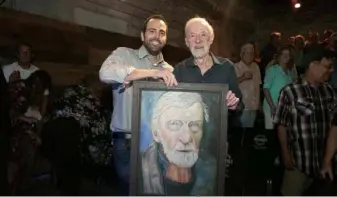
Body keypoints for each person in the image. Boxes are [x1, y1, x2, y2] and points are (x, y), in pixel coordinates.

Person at [99, 15, 177, 194]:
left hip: (158, 145)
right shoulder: (124, 54)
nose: (157, 36)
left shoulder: (171, 70)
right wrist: (150, 73)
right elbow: (105, 73)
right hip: (126, 142)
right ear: (142, 36)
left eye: (162, 33)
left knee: (154, 192)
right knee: (128, 191)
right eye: (152, 31)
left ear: (165, 39)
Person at [273, 48, 336, 196]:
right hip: (299, 161)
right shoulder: (291, 91)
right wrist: (285, 153)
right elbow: (282, 124)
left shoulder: (330, 91)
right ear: (313, 65)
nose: (331, 70)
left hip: (324, 162)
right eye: (327, 66)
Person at [141, 92, 216, 195]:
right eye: (174, 124)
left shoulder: (212, 169)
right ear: (156, 133)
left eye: (195, 125)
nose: (186, 138)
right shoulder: (139, 168)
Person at [173, 17, 241, 112]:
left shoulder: (227, 67)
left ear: (211, 39)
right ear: (187, 42)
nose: (198, 40)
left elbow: (240, 105)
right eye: (192, 36)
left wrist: (235, 105)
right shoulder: (179, 70)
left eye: (203, 35)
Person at [2, 42, 49, 116]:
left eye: (27, 52)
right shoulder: (7, 69)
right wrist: (11, 82)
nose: (25, 55)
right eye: (22, 52)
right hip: (11, 112)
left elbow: (45, 96)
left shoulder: (37, 72)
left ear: (32, 55)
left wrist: (42, 116)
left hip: (32, 111)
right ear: (17, 54)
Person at [263, 46, 294, 131]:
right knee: (270, 132)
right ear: (279, 56)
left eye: (288, 54)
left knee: (280, 134)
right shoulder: (272, 70)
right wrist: (272, 106)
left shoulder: (288, 72)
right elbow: (265, 89)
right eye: (283, 54)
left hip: (283, 108)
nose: (285, 56)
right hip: (271, 106)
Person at [234, 42, 261, 128]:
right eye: (248, 53)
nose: (250, 55)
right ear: (242, 54)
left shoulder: (256, 67)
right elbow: (230, 84)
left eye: (252, 53)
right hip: (242, 106)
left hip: (253, 105)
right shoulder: (235, 67)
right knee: (241, 132)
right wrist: (242, 77)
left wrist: (259, 102)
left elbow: (258, 86)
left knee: (250, 132)